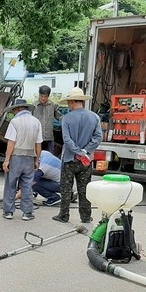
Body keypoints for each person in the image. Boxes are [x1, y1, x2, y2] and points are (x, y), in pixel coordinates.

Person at [52, 87, 102, 224]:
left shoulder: (67, 118)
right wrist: (85, 151)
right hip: (86, 161)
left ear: (73, 102)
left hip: (69, 159)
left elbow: (67, 141)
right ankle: (86, 217)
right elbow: (98, 138)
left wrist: (78, 151)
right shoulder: (94, 117)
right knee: (84, 189)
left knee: (66, 189)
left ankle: (64, 215)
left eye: (69, 102)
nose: (68, 105)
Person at [2, 98, 42, 221]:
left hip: (16, 158)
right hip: (29, 157)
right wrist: (37, 160)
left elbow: (11, 142)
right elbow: (38, 144)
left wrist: (7, 160)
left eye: (14, 110)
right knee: (27, 185)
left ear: (18, 109)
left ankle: (8, 212)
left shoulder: (15, 122)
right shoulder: (36, 122)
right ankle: (27, 213)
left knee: (10, 184)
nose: (14, 112)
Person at [32, 85, 61, 155]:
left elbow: (60, 117)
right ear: (39, 95)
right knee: (37, 158)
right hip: (37, 138)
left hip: (49, 138)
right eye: (41, 96)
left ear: (48, 96)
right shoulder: (33, 106)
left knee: (49, 158)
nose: (43, 98)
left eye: (45, 96)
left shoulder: (53, 105)